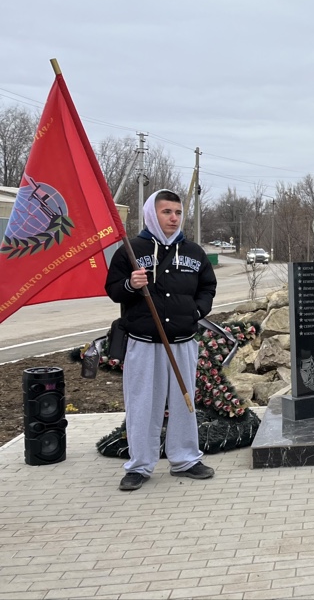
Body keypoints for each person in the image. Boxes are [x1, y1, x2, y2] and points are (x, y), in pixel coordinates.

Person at [105, 189, 218, 491]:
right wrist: (131, 284)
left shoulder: (193, 252)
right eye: (166, 212)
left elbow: (207, 287)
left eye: (178, 212)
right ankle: (139, 466)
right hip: (144, 341)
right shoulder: (131, 250)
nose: (173, 218)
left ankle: (185, 459)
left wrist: (197, 311)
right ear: (151, 214)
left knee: (184, 402)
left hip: (182, 340)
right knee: (143, 404)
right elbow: (113, 289)